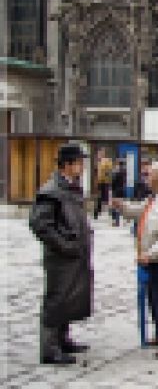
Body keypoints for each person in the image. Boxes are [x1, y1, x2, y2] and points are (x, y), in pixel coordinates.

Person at [112, 160, 158, 359]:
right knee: (155, 300)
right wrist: (122, 206)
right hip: (151, 260)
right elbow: (138, 211)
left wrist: (151, 253)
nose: (147, 179)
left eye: (150, 175)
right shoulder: (154, 199)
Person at [29, 144, 93, 365]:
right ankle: (49, 348)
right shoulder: (51, 191)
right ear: (67, 165)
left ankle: (63, 339)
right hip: (61, 258)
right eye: (79, 162)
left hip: (74, 256)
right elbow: (40, 225)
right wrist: (65, 245)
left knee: (69, 298)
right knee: (56, 300)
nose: (82, 166)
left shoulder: (72, 188)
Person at [93, 150, 113, 220]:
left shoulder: (107, 161)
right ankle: (97, 213)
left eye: (101, 153)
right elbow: (96, 174)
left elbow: (109, 171)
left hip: (106, 182)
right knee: (99, 198)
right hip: (100, 183)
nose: (99, 155)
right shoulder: (98, 162)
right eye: (99, 154)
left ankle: (111, 213)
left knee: (107, 198)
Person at [110, 159, 127, 226]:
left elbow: (112, 183)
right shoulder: (124, 173)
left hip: (116, 191)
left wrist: (112, 190)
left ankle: (115, 220)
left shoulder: (115, 173)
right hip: (122, 191)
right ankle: (121, 219)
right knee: (120, 206)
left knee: (115, 206)